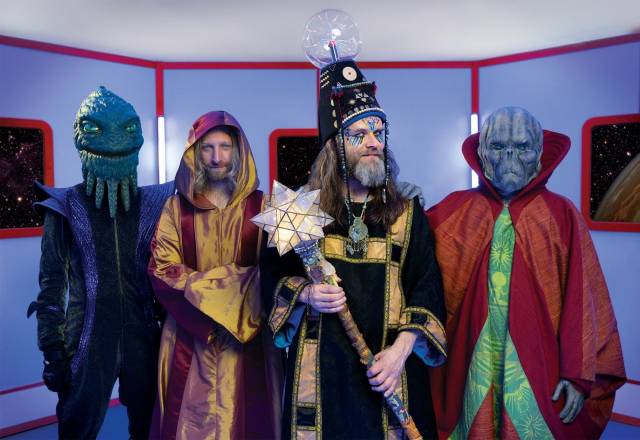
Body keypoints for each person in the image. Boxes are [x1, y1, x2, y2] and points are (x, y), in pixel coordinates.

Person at [260, 58, 447, 439]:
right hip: (322, 378)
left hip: (389, 374)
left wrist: (399, 354)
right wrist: (307, 293)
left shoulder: (407, 214)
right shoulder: (301, 211)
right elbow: (270, 280)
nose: (374, 142)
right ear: (335, 147)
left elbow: (427, 288)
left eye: (378, 131)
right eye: (359, 134)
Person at [427, 107, 626, 439]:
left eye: (521, 147)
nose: (510, 157)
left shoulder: (561, 214)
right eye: (498, 146)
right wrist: (399, 203)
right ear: (482, 154)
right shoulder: (454, 209)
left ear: (539, 154)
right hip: (470, 362)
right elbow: (413, 256)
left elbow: (582, 299)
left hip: (539, 365)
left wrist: (577, 375)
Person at [27, 86, 174, 439]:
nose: (113, 139)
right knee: (77, 426)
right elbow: (51, 287)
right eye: (95, 128)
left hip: (144, 334)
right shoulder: (64, 206)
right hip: (87, 337)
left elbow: (167, 270)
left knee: (150, 426)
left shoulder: (156, 202)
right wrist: (53, 350)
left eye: (126, 129)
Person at [148, 111, 282, 440]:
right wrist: (231, 294)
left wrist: (217, 293)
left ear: (238, 151)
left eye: (224, 147)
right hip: (190, 337)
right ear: (195, 153)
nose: (216, 157)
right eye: (207, 148)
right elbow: (162, 270)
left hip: (250, 338)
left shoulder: (265, 207)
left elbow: (276, 272)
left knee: (252, 421)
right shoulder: (175, 209)